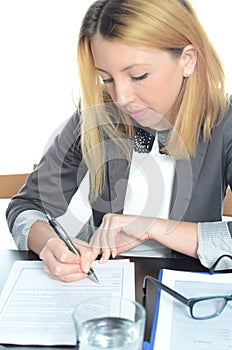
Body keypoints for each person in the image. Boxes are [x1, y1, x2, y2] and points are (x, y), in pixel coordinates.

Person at [6, 0, 232, 282]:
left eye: (138, 76)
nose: (121, 98)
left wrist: (153, 227)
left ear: (187, 60)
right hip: (106, 288)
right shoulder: (96, 115)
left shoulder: (226, 123)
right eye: (107, 78)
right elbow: (26, 205)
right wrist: (50, 244)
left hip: (191, 295)